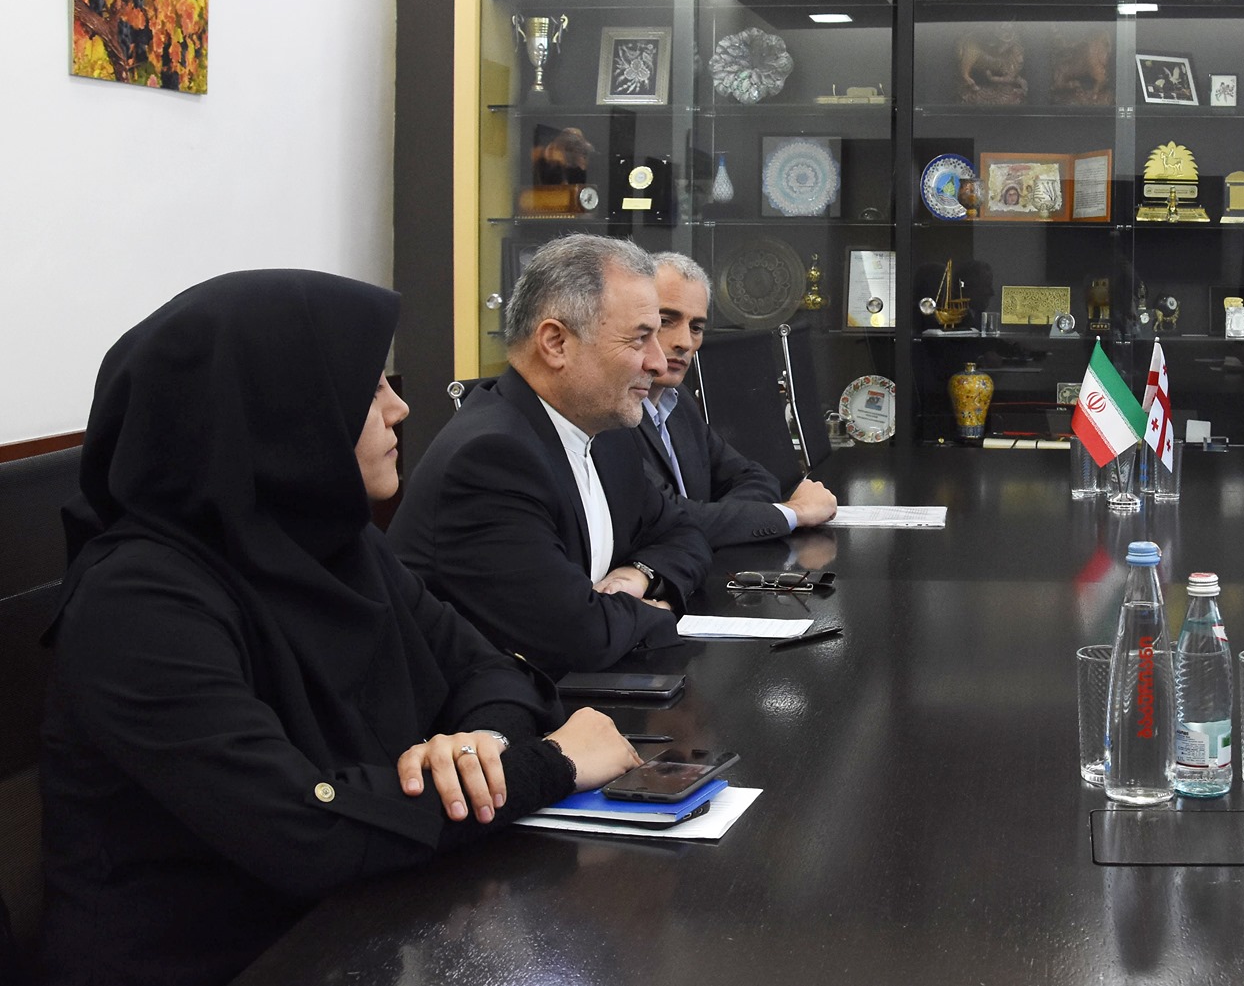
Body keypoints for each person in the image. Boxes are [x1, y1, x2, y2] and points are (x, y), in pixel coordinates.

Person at [38, 270, 642, 986]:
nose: (400, 407)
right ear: (278, 413)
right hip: (221, 961)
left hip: (366, 925)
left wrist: (478, 748)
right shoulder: (138, 603)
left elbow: (490, 670)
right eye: (369, 388)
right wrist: (546, 765)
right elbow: (303, 832)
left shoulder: (335, 544)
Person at [391, 235, 712, 675]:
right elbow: (580, 637)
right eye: (641, 338)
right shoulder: (491, 461)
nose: (658, 363)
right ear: (556, 343)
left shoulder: (607, 433)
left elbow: (685, 533)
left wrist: (638, 575)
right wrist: (659, 611)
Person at [638, 252, 837, 546]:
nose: (685, 342)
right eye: (666, 320)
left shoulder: (678, 403)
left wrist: (715, 520)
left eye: (696, 328)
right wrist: (795, 512)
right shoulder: (612, 415)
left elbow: (758, 478)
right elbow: (668, 522)